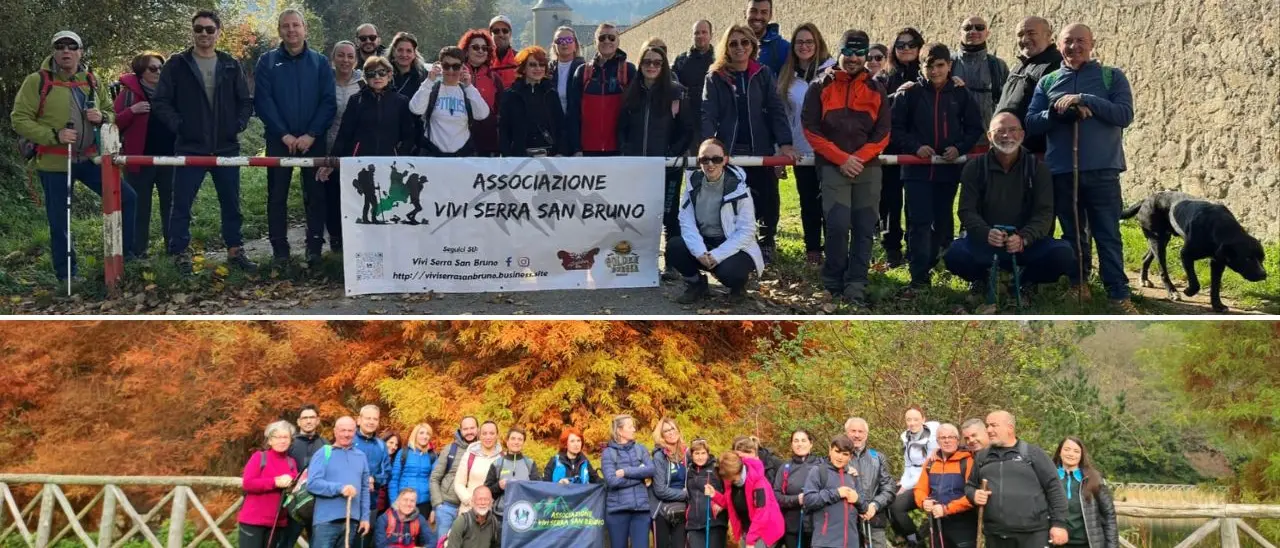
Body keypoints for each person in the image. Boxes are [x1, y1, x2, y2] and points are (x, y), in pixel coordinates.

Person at [11, 29, 138, 283]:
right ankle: (67, 275)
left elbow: (110, 112)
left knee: (128, 198)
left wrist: (102, 118)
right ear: (53, 52)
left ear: (80, 52)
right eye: (60, 46)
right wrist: (54, 135)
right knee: (61, 221)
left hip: (91, 160)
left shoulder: (92, 80)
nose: (66, 51)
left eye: (72, 46)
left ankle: (127, 260)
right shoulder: (37, 81)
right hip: (55, 162)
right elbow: (19, 119)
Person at [1026, 23, 1136, 312]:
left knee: (1107, 234)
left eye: (1080, 41)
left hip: (1103, 171)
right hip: (1062, 172)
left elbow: (1124, 115)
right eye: (1068, 41)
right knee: (1073, 233)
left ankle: (1118, 293)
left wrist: (1085, 100)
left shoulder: (1111, 77)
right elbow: (1032, 122)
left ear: (1092, 43)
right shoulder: (1048, 82)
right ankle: (1079, 286)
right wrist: (1058, 111)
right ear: (1058, 45)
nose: (1074, 47)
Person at [149, 12, 256, 273]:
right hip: (190, 146)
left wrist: (237, 125)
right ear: (193, 31)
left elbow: (245, 100)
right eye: (199, 29)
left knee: (231, 202)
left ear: (219, 32)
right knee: (182, 203)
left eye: (209, 29)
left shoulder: (230, 64)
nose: (204, 34)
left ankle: (235, 251)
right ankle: (179, 254)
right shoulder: (177, 64)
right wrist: (180, 126)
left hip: (226, 146)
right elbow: (161, 102)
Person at [801, 29, 891, 306]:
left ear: (866, 56)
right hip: (833, 167)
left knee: (864, 228)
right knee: (837, 225)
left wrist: (859, 158)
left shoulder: (877, 89)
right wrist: (841, 158)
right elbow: (810, 129)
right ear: (839, 51)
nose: (853, 58)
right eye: (848, 52)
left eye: (859, 53)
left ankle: (856, 284)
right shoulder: (819, 86)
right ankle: (833, 282)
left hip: (867, 168)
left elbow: (884, 132)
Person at [946, 112, 1079, 297]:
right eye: (1000, 131)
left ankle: (1026, 282)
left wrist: (1024, 238)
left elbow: (1044, 213)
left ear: (1022, 135)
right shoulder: (974, 168)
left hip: (1025, 246)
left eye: (1012, 130)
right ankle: (984, 280)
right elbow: (967, 211)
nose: (1007, 136)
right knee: (955, 254)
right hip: (987, 243)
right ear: (990, 137)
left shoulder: (1038, 169)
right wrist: (986, 233)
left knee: (1063, 253)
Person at [891, 42, 983, 290]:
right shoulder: (909, 93)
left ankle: (939, 264)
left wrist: (959, 148)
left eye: (940, 65)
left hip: (948, 170)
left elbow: (975, 127)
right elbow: (895, 129)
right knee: (919, 222)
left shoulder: (961, 93)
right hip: (916, 171)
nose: (934, 71)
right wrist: (914, 147)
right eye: (928, 66)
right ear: (921, 66)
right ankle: (919, 275)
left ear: (949, 66)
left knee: (942, 222)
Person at [702, 25, 797, 264]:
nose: (739, 48)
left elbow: (776, 110)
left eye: (744, 42)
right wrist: (708, 146)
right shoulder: (715, 76)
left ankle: (766, 242)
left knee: (768, 198)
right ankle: (730, 243)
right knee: (729, 199)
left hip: (760, 148)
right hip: (729, 150)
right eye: (733, 43)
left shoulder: (763, 73)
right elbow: (708, 113)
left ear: (753, 46)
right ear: (726, 47)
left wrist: (785, 144)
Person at [254, 8, 336, 267]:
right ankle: (280, 251)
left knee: (315, 195)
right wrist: (284, 134)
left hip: (313, 140)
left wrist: (311, 134)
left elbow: (328, 102)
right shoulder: (266, 61)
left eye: (295, 25)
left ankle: (314, 248)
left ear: (304, 29)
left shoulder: (320, 62)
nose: (291, 30)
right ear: (279, 30)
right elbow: (263, 102)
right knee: (277, 196)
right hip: (280, 140)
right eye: (285, 26)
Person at [669, 138, 764, 304]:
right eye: (704, 159)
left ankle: (737, 289)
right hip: (704, 241)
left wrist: (718, 255)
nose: (710, 164)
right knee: (674, 247)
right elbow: (686, 222)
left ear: (725, 160)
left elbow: (747, 230)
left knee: (732, 273)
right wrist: (699, 252)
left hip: (731, 244)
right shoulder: (692, 183)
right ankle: (696, 284)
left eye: (717, 159)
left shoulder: (739, 188)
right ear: (699, 161)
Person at [618, 45, 691, 245]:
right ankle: (639, 262)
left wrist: (671, 154)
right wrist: (625, 151)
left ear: (664, 65)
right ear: (640, 64)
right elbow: (622, 127)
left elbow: (687, 129)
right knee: (637, 215)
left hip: (667, 168)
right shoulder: (630, 92)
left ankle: (671, 263)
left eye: (657, 62)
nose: (651, 66)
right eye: (647, 62)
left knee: (669, 216)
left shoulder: (677, 92)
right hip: (636, 168)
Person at [965, 411, 1069, 548]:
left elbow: (1054, 488)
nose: (989, 430)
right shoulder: (982, 458)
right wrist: (974, 495)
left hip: (1033, 535)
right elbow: (970, 486)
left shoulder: (1033, 454)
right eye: (987, 426)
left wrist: (1059, 524)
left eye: (994, 425)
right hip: (996, 535)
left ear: (1010, 428)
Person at [779, 23, 834, 266]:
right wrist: (780, 149)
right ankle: (813, 249)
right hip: (801, 149)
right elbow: (782, 115)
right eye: (799, 42)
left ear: (818, 43)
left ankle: (835, 249)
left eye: (809, 42)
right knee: (808, 201)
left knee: (832, 202)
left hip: (830, 149)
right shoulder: (787, 76)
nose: (804, 46)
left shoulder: (832, 70)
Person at [319, 56, 417, 187]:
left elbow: (409, 135)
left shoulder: (401, 101)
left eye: (382, 72)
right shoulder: (356, 100)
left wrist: (399, 156)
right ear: (365, 77)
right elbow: (344, 133)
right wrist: (331, 161)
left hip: (391, 164)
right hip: (360, 163)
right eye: (371, 74)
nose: (377, 77)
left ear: (389, 75)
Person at [113, 51, 174, 257]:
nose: (158, 72)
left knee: (172, 207)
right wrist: (133, 110)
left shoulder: (170, 92)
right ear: (141, 72)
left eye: (160, 68)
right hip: (138, 161)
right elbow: (113, 124)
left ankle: (174, 250)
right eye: (153, 68)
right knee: (139, 208)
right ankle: (138, 253)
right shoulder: (128, 94)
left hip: (170, 159)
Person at [874, 27, 925, 268]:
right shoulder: (883, 77)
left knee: (917, 203)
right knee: (890, 202)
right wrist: (896, 95)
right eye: (900, 45)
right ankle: (892, 248)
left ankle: (917, 248)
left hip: (920, 149)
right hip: (890, 148)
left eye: (911, 44)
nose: (906, 49)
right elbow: (874, 108)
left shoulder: (928, 74)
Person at [568, 23, 637, 157]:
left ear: (618, 41)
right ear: (595, 42)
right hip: (587, 150)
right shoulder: (583, 72)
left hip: (619, 150)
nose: (606, 41)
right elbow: (573, 113)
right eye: (602, 38)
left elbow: (636, 111)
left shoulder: (628, 70)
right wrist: (576, 148)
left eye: (611, 38)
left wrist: (629, 147)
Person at [996, 17, 1061, 154]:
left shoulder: (1056, 66)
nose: (1025, 39)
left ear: (1048, 35)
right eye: (1020, 35)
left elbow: (1054, 113)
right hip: (1008, 150)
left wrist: (1025, 146)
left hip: (1033, 153)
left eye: (1031, 33)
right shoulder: (1018, 66)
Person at [410, 46, 491, 156]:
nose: (451, 71)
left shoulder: (467, 91)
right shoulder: (431, 89)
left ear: (462, 67)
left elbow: (482, 114)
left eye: (456, 66)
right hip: (433, 155)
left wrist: (468, 85)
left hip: (461, 156)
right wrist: (429, 81)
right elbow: (415, 109)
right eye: (446, 66)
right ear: (440, 65)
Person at [321, 40, 362, 253]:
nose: (345, 60)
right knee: (329, 197)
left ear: (355, 60)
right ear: (333, 58)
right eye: (341, 55)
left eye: (350, 56)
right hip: (325, 146)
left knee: (354, 197)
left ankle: (355, 243)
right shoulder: (323, 80)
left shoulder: (364, 81)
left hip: (354, 150)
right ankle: (334, 240)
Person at [705, 439, 784, 548]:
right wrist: (714, 494)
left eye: (729, 478)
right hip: (747, 530)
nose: (727, 480)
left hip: (766, 531)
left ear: (736, 471)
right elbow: (731, 504)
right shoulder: (730, 481)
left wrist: (751, 541)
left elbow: (762, 514)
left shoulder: (758, 482)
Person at [308, 416, 372, 548]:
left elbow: (365, 489)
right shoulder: (324, 453)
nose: (346, 434)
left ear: (355, 432)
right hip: (326, 521)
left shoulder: (361, 456)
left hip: (351, 521)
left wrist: (365, 517)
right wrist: (340, 488)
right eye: (343, 430)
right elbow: (313, 484)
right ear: (335, 431)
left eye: (350, 430)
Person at [914, 424, 977, 548]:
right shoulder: (930, 463)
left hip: (963, 525)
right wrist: (924, 502)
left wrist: (946, 509)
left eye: (951, 437)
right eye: (942, 438)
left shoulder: (968, 461)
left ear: (958, 440)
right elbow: (920, 488)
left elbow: (972, 495)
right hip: (937, 524)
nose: (947, 440)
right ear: (937, 441)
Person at [238, 421, 299, 548]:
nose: (282, 441)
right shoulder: (259, 457)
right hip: (253, 521)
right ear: (270, 441)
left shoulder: (291, 462)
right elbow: (248, 483)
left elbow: (295, 486)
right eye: (277, 437)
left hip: (277, 523)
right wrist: (275, 482)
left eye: (285, 437)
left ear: (290, 440)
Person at [499, 46, 566, 157]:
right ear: (523, 68)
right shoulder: (510, 95)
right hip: (519, 158)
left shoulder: (551, 93)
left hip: (550, 156)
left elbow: (560, 125)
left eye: (541, 65)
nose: (538, 68)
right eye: (532, 65)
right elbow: (503, 129)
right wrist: (507, 156)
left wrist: (561, 152)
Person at [1052, 437, 1119, 548]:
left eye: (1076, 451)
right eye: (1067, 449)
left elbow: (1109, 516)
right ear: (1059, 452)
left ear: (1082, 455)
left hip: (1087, 544)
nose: (1071, 454)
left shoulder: (1094, 479)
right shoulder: (1049, 478)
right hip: (1055, 543)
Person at [602, 414, 655, 548]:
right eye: (630, 427)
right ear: (619, 431)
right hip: (617, 511)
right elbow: (611, 481)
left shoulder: (641, 449)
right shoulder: (608, 453)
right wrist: (640, 478)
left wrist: (626, 472)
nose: (634, 429)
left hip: (641, 510)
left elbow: (651, 470)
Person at [889, 407, 939, 547]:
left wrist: (907, 486)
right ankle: (907, 537)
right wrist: (903, 484)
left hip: (929, 481)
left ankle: (916, 540)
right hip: (913, 479)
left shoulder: (935, 436)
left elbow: (926, 468)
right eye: (908, 420)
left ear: (923, 419)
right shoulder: (907, 438)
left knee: (897, 505)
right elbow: (909, 465)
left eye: (916, 419)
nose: (912, 423)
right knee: (889, 496)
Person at [800, 434, 862, 548]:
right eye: (837, 451)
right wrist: (836, 493)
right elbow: (808, 500)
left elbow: (865, 508)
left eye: (845, 454)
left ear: (850, 457)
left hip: (851, 543)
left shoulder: (853, 475)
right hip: (825, 542)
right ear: (830, 450)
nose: (840, 457)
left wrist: (857, 500)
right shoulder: (818, 471)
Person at [843, 417, 895, 548]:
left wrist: (875, 505)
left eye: (860, 431)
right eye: (853, 431)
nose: (856, 435)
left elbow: (889, 488)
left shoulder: (877, 457)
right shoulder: (839, 457)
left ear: (866, 434)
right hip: (847, 520)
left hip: (874, 519)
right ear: (846, 433)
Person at [951, 16, 1010, 128]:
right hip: (953, 136)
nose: (973, 31)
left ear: (987, 33)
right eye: (967, 28)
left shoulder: (998, 65)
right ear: (960, 33)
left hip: (987, 135)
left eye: (979, 27)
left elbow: (1007, 101)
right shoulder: (948, 63)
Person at [280, 405, 326, 546]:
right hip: (291, 504)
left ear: (317, 420)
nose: (308, 421)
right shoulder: (289, 443)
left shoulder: (325, 445)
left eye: (312, 417)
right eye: (304, 418)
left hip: (317, 505)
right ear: (298, 422)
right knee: (284, 544)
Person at [430, 417, 480, 539]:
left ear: (478, 429)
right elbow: (434, 478)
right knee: (443, 543)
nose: (469, 432)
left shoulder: (484, 451)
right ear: (460, 431)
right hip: (447, 507)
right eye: (465, 429)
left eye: (472, 428)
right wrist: (438, 504)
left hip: (471, 508)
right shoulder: (450, 449)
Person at [389, 424, 438, 548]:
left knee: (420, 540)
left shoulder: (432, 456)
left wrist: (434, 508)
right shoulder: (403, 453)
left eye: (427, 434)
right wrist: (395, 503)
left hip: (424, 504)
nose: (425, 436)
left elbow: (435, 482)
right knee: (402, 540)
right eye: (421, 433)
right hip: (404, 504)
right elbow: (394, 480)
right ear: (415, 435)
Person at [457, 30, 505, 157]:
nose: (481, 51)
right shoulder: (454, 74)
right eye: (475, 47)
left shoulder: (494, 78)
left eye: (485, 48)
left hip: (487, 142)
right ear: (466, 50)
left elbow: (501, 111)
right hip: (458, 141)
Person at [773, 429, 822, 548]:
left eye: (803, 440)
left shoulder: (822, 465)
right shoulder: (785, 467)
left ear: (811, 444)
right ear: (791, 445)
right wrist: (797, 499)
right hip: (792, 527)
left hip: (817, 526)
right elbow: (776, 496)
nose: (799, 444)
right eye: (796, 441)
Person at [352, 405, 392, 547]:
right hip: (347, 502)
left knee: (362, 543)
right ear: (359, 420)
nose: (371, 422)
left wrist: (374, 478)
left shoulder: (381, 446)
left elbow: (387, 473)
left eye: (375, 419)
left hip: (370, 504)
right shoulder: (349, 439)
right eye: (368, 418)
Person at [673, 20, 715, 155]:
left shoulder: (719, 59)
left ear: (711, 35)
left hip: (712, 118)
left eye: (704, 32)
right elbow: (673, 83)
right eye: (696, 33)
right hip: (688, 120)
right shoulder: (681, 60)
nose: (700, 36)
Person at [483, 427, 542, 521]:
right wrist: (499, 486)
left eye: (520, 439)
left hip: (524, 514)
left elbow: (538, 489)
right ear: (507, 441)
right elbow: (486, 491)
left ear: (523, 443)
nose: (516, 442)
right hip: (501, 515)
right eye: (513, 438)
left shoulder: (530, 463)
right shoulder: (497, 464)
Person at [649, 418, 690, 548]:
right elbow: (660, 490)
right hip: (662, 510)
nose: (671, 432)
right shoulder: (659, 456)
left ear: (678, 430)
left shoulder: (687, 454)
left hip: (683, 510)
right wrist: (685, 494)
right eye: (666, 431)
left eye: (673, 428)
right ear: (662, 436)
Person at [686, 439, 728, 548]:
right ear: (692, 455)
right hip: (694, 524)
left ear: (708, 453)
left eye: (703, 453)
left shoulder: (717, 469)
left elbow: (729, 492)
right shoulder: (689, 470)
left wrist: (722, 504)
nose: (700, 457)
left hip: (715, 522)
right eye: (697, 453)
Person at [454, 421, 502, 513]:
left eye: (492, 433)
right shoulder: (469, 456)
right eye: (484, 433)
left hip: (494, 512)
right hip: (469, 509)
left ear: (497, 435)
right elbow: (458, 483)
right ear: (479, 435)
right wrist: (469, 500)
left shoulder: (503, 458)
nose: (488, 437)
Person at [744, 0, 789, 76]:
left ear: (770, 16)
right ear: (745, 13)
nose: (758, 16)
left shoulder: (784, 49)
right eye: (753, 11)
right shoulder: (732, 46)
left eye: (764, 12)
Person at [549, 27, 585, 114]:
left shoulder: (584, 69)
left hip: (576, 123)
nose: (564, 43)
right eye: (559, 40)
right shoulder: (548, 69)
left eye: (569, 40)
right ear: (554, 45)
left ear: (575, 45)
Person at [389, 32, 427, 99]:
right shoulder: (381, 72)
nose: (404, 55)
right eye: (400, 50)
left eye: (409, 51)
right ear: (393, 52)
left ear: (414, 53)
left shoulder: (423, 76)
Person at [488, 16, 518, 89]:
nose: (501, 34)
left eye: (505, 31)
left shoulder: (520, 59)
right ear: (490, 34)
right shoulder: (484, 60)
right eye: (496, 31)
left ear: (510, 34)